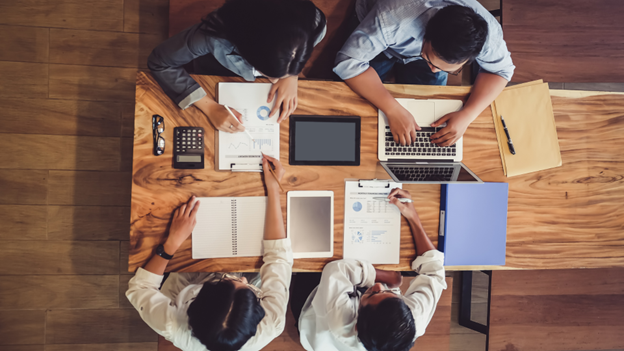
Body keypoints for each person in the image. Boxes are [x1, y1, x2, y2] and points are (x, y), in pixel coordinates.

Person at [126, 154, 291, 351]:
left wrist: (172, 243)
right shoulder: (271, 325)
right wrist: (273, 188)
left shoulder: (172, 325)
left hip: (190, 279)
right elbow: (278, 257)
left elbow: (139, 288)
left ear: (196, 304)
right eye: (247, 291)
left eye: (228, 282)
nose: (243, 280)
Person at [334, 0, 515, 147]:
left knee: (428, 115)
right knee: (348, 101)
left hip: (409, 43)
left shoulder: (487, 37)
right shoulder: (391, 17)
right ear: (426, 34)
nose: (433, 70)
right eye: (429, 59)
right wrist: (392, 108)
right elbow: (348, 62)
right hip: (379, 33)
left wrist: (468, 114)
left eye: (446, 69)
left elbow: (502, 71)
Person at [294, 188, 447, 351]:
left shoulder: (339, 322)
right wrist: (413, 217)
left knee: (314, 260)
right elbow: (434, 271)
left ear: (356, 326)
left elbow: (336, 270)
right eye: (390, 294)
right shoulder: (411, 321)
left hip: (315, 314)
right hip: (356, 302)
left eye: (373, 294)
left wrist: (388, 279)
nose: (379, 286)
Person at [148, 0, 327, 132]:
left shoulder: (315, 23)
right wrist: (210, 107)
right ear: (246, 49)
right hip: (216, 68)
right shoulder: (212, 38)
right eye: (269, 73)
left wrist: (291, 74)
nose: (274, 80)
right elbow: (160, 62)